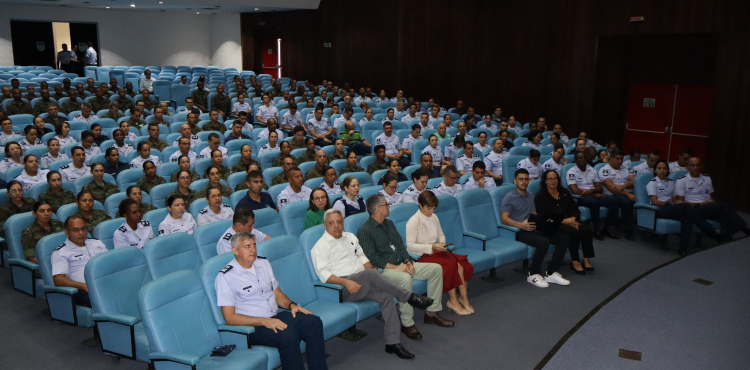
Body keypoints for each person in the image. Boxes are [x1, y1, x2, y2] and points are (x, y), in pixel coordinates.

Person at [312, 208, 432, 359]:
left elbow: (363, 258)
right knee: (370, 274)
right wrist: (346, 281)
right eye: (331, 223)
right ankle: (410, 297)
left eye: (339, 222)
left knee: (386, 296)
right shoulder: (320, 246)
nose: (336, 226)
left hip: (363, 281)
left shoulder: (350, 237)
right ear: (325, 225)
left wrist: (373, 270)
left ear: (343, 223)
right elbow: (323, 275)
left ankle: (392, 343)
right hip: (343, 287)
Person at [217, 231, 327, 370]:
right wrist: (264, 321)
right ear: (235, 250)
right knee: (289, 336)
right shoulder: (226, 276)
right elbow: (230, 318)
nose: (253, 250)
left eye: (254, 245)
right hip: (252, 328)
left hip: (274, 316)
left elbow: (276, 293)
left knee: (313, 321)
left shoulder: (263, 263)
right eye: (247, 246)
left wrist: (291, 305)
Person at [358, 193, 453, 339]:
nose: (389, 206)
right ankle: (407, 323)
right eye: (386, 204)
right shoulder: (365, 230)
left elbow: (401, 247)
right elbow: (372, 258)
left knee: (435, 269)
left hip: (401, 264)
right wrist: (397, 268)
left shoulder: (389, 223)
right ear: (378, 208)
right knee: (405, 279)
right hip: (385, 270)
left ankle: (431, 314)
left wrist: (408, 261)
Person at [406, 191, 474, 315]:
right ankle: (453, 301)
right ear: (420, 205)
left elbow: (441, 235)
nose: (432, 211)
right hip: (423, 256)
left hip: (436, 252)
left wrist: (441, 244)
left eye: (433, 208)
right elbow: (410, 246)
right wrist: (432, 246)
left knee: (460, 262)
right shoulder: (413, 221)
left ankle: (464, 298)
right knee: (450, 263)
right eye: (429, 208)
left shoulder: (434, 217)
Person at [501, 169, 570, 288]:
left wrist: (544, 222)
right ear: (515, 181)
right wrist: (521, 225)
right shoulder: (509, 197)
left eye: (526, 179)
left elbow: (535, 214)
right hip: (519, 231)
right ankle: (533, 274)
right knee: (543, 242)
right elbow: (504, 219)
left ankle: (551, 272)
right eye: (521, 179)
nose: (524, 182)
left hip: (534, 227)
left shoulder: (530, 196)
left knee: (563, 238)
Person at [647, 160, 722, 256]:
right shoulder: (652, 183)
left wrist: (680, 203)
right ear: (655, 170)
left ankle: (682, 248)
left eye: (664, 168)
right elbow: (654, 201)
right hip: (658, 209)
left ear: (668, 170)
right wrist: (671, 205)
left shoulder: (670, 182)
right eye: (659, 168)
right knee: (685, 207)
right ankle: (710, 230)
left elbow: (674, 199)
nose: (662, 170)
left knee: (687, 218)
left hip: (671, 208)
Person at [675, 157, 750, 241]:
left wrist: (713, 203)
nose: (695, 168)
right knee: (724, 205)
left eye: (697, 165)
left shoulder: (706, 178)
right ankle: (744, 229)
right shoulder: (682, 181)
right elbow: (682, 202)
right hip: (694, 209)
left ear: (701, 166)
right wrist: (700, 204)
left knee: (723, 212)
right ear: (688, 167)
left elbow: (710, 196)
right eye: (692, 165)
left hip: (708, 207)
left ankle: (726, 236)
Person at [536, 170, 595, 274]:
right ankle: (575, 260)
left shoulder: (564, 192)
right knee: (574, 231)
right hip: (553, 224)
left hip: (571, 220)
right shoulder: (540, 196)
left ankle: (586, 259)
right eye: (550, 179)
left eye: (555, 178)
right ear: (545, 181)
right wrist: (564, 221)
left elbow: (575, 208)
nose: (553, 181)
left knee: (586, 228)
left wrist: (573, 218)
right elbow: (544, 215)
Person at [51, 215, 107, 308]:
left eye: (83, 228)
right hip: (82, 290)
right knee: (106, 299)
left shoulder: (96, 243)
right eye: (76, 230)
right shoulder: (61, 252)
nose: (81, 233)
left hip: (104, 283)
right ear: (67, 232)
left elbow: (109, 262)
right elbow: (58, 279)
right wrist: (82, 285)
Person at [566, 152, 612, 240]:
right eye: (579, 158)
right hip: (580, 198)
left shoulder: (592, 170)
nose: (582, 160)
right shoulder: (571, 172)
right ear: (575, 161)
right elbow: (575, 191)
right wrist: (594, 193)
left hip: (593, 196)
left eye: (584, 158)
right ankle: (596, 229)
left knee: (612, 200)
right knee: (594, 202)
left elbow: (599, 188)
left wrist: (591, 192)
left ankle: (606, 228)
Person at [596, 149, 636, 240]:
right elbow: (612, 188)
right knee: (626, 201)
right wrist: (627, 194)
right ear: (611, 158)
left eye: (621, 159)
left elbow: (634, 182)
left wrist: (624, 185)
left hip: (622, 196)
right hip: (608, 197)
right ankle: (628, 231)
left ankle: (609, 227)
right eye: (617, 159)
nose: (620, 161)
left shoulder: (625, 168)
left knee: (624, 201)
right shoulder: (604, 170)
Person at [21, 200, 65, 265]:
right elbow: (32, 259)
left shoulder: (57, 223)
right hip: (47, 265)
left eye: (49, 210)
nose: (46, 214)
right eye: (42, 211)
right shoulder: (29, 233)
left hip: (65, 257)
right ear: (34, 214)